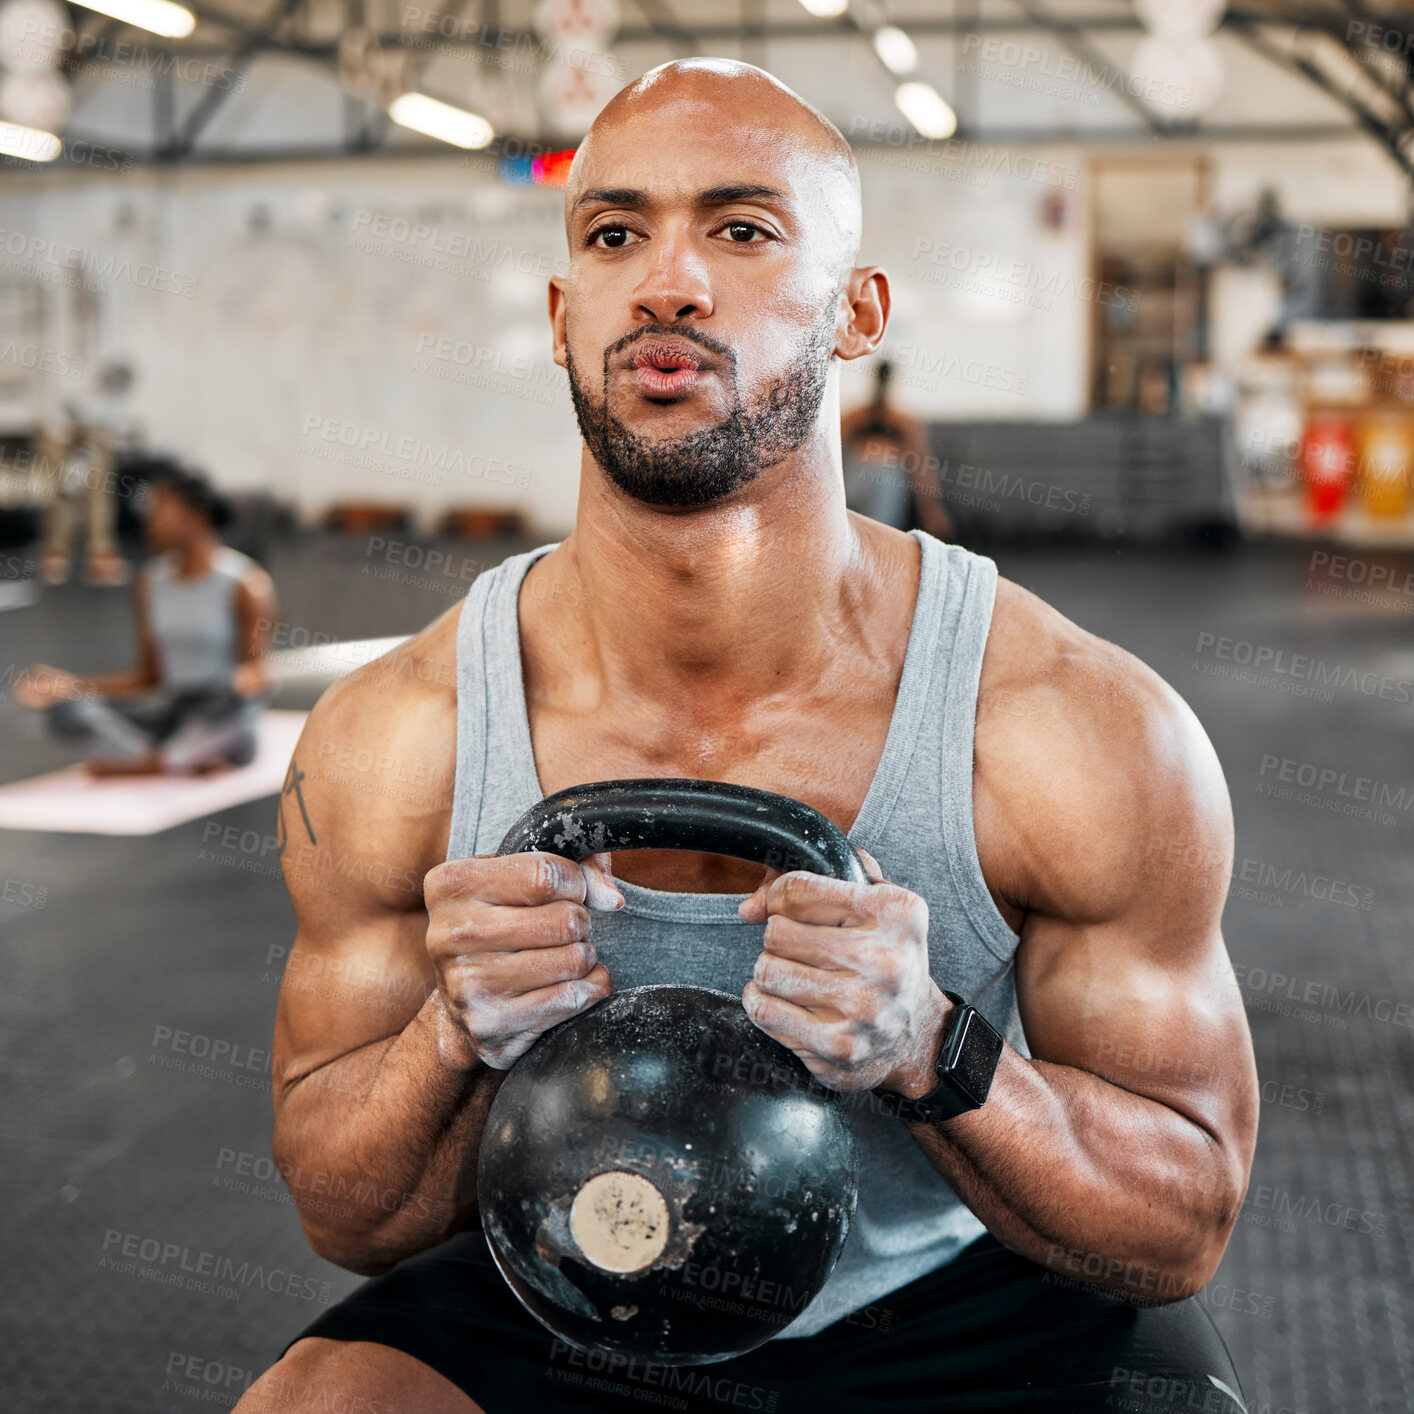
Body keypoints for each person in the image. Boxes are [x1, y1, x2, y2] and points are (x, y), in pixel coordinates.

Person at [236, 59, 1257, 1414]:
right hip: (572, 1277)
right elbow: (344, 1213)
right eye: (614, 235)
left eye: (741, 228)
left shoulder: (1071, 725)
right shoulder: (397, 735)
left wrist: (934, 1049)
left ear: (857, 311)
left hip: (957, 1304)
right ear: (560, 315)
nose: (668, 281)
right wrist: (450, 1038)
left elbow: (1176, 1221)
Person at [15, 462, 278, 775]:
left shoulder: (246, 584)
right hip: (173, 712)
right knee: (69, 710)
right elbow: (150, 677)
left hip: (219, 711)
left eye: (159, 510)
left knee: (231, 711)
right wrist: (72, 685)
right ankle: (166, 759)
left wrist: (243, 679)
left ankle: (153, 760)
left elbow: (257, 671)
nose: (149, 521)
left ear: (195, 516)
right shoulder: (150, 582)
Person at [36, 358, 138, 588]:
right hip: (70, 436)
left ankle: (65, 557)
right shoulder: (95, 396)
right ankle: (87, 556)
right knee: (83, 495)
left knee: (70, 494)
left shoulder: (96, 394)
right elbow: (91, 428)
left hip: (66, 435)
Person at [841, 357, 952, 538]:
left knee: (880, 525)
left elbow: (921, 468)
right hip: (856, 481)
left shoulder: (904, 422)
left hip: (888, 481)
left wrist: (931, 510)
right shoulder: (855, 418)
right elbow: (831, 458)